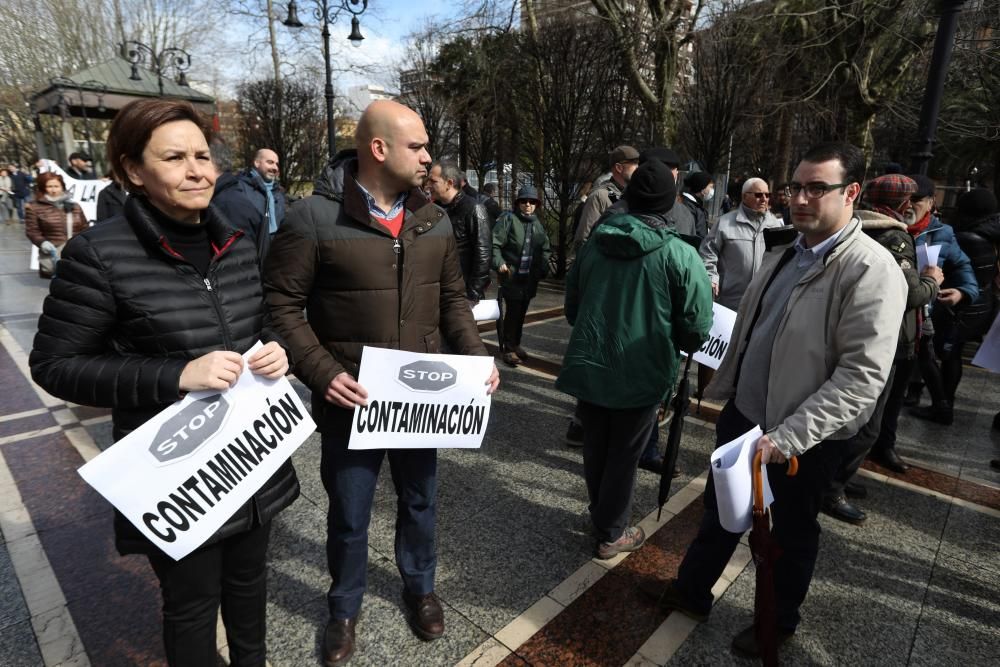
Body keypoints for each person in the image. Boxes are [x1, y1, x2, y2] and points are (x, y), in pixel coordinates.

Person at [29, 98, 299, 666]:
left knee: (250, 590)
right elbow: (55, 365)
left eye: (203, 155)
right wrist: (178, 374)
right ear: (132, 170)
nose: (198, 170)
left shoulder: (238, 241)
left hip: (252, 460)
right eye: (174, 158)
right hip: (176, 476)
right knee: (192, 605)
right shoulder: (99, 254)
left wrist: (276, 350)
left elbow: (261, 323)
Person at [646, 142, 907, 658]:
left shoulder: (870, 269)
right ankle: (692, 590)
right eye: (796, 187)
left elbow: (861, 378)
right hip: (748, 418)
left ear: (851, 192)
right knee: (720, 512)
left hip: (802, 439)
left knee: (787, 535)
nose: (800, 199)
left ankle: (777, 619)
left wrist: (787, 438)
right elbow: (752, 329)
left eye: (817, 188)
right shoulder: (786, 249)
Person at [263, 100, 499, 666]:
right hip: (352, 401)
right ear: (378, 150)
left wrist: (475, 357)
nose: (428, 158)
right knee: (349, 511)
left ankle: (420, 588)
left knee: (421, 500)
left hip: (421, 400)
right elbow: (281, 307)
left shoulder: (433, 219)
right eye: (417, 147)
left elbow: (452, 302)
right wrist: (323, 374)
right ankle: (343, 607)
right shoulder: (311, 218)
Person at [557, 158, 712, 558]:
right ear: (669, 201)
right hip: (643, 369)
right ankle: (611, 532)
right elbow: (696, 324)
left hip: (590, 362)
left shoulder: (595, 243)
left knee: (597, 446)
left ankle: (602, 514)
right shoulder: (679, 253)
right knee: (625, 454)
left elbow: (572, 308)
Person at [822, 174, 941, 523]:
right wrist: (933, 280)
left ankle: (835, 477)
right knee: (867, 425)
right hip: (887, 340)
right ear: (903, 204)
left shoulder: (852, 226)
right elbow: (910, 293)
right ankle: (831, 488)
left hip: (851, 331)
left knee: (853, 418)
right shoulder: (894, 236)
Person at [909, 185, 989, 424]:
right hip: (887, 315)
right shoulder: (888, 228)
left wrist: (963, 292)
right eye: (905, 199)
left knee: (929, 355)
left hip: (922, 314)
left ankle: (938, 405)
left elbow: (964, 267)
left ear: (932, 202)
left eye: (917, 200)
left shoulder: (943, 233)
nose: (909, 205)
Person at [698, 177, 783, 311]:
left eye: (767, 195)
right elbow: (708, 253)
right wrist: (711, 277)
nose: (764, 199)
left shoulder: (775, 225)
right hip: (730, 302)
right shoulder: (725, 223)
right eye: (758, 195)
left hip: (763, 303)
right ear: (744, 197)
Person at [492, 185, 552, 366]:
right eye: (524, 201)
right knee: (513, 312)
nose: (528, 204)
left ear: (536, 204)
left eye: (532, 201)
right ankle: (508, 348)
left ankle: (515, 343)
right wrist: (500, 263)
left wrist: (543, 266)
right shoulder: (508, 220)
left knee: (521, 312)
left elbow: (545, 249)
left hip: (529, 279)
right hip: (512, 276)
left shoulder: (537, 224)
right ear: (518, 203)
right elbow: (494, 244)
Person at [427, 160, 492, 301]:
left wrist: (473, 292)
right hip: (440, 289)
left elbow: (483, 254)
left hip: (462, 293)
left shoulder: (474, 208)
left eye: (433, 181)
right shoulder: (433, 209)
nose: (428, 186)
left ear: (449, 183)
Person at [573, 145, 639, 250]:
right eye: (634, 163)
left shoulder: (635, 195)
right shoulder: (601, 196)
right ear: (619, 167)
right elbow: (583, 240)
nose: (638, 167)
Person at [24, 172, 88, 278]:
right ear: (43, 188)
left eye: (56, 186)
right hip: (53, 252)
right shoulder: (33, 207)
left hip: (76, 252)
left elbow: (85, 227)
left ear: (62, 186)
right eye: (49, 186)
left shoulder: (75, 206)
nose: (53, 190)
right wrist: (42, 242)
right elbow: (32, 230)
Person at [680, 171, 713, 239]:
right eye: (710, 187)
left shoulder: (696, 205)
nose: (711, 190)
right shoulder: (688, 207)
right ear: (702, 187)